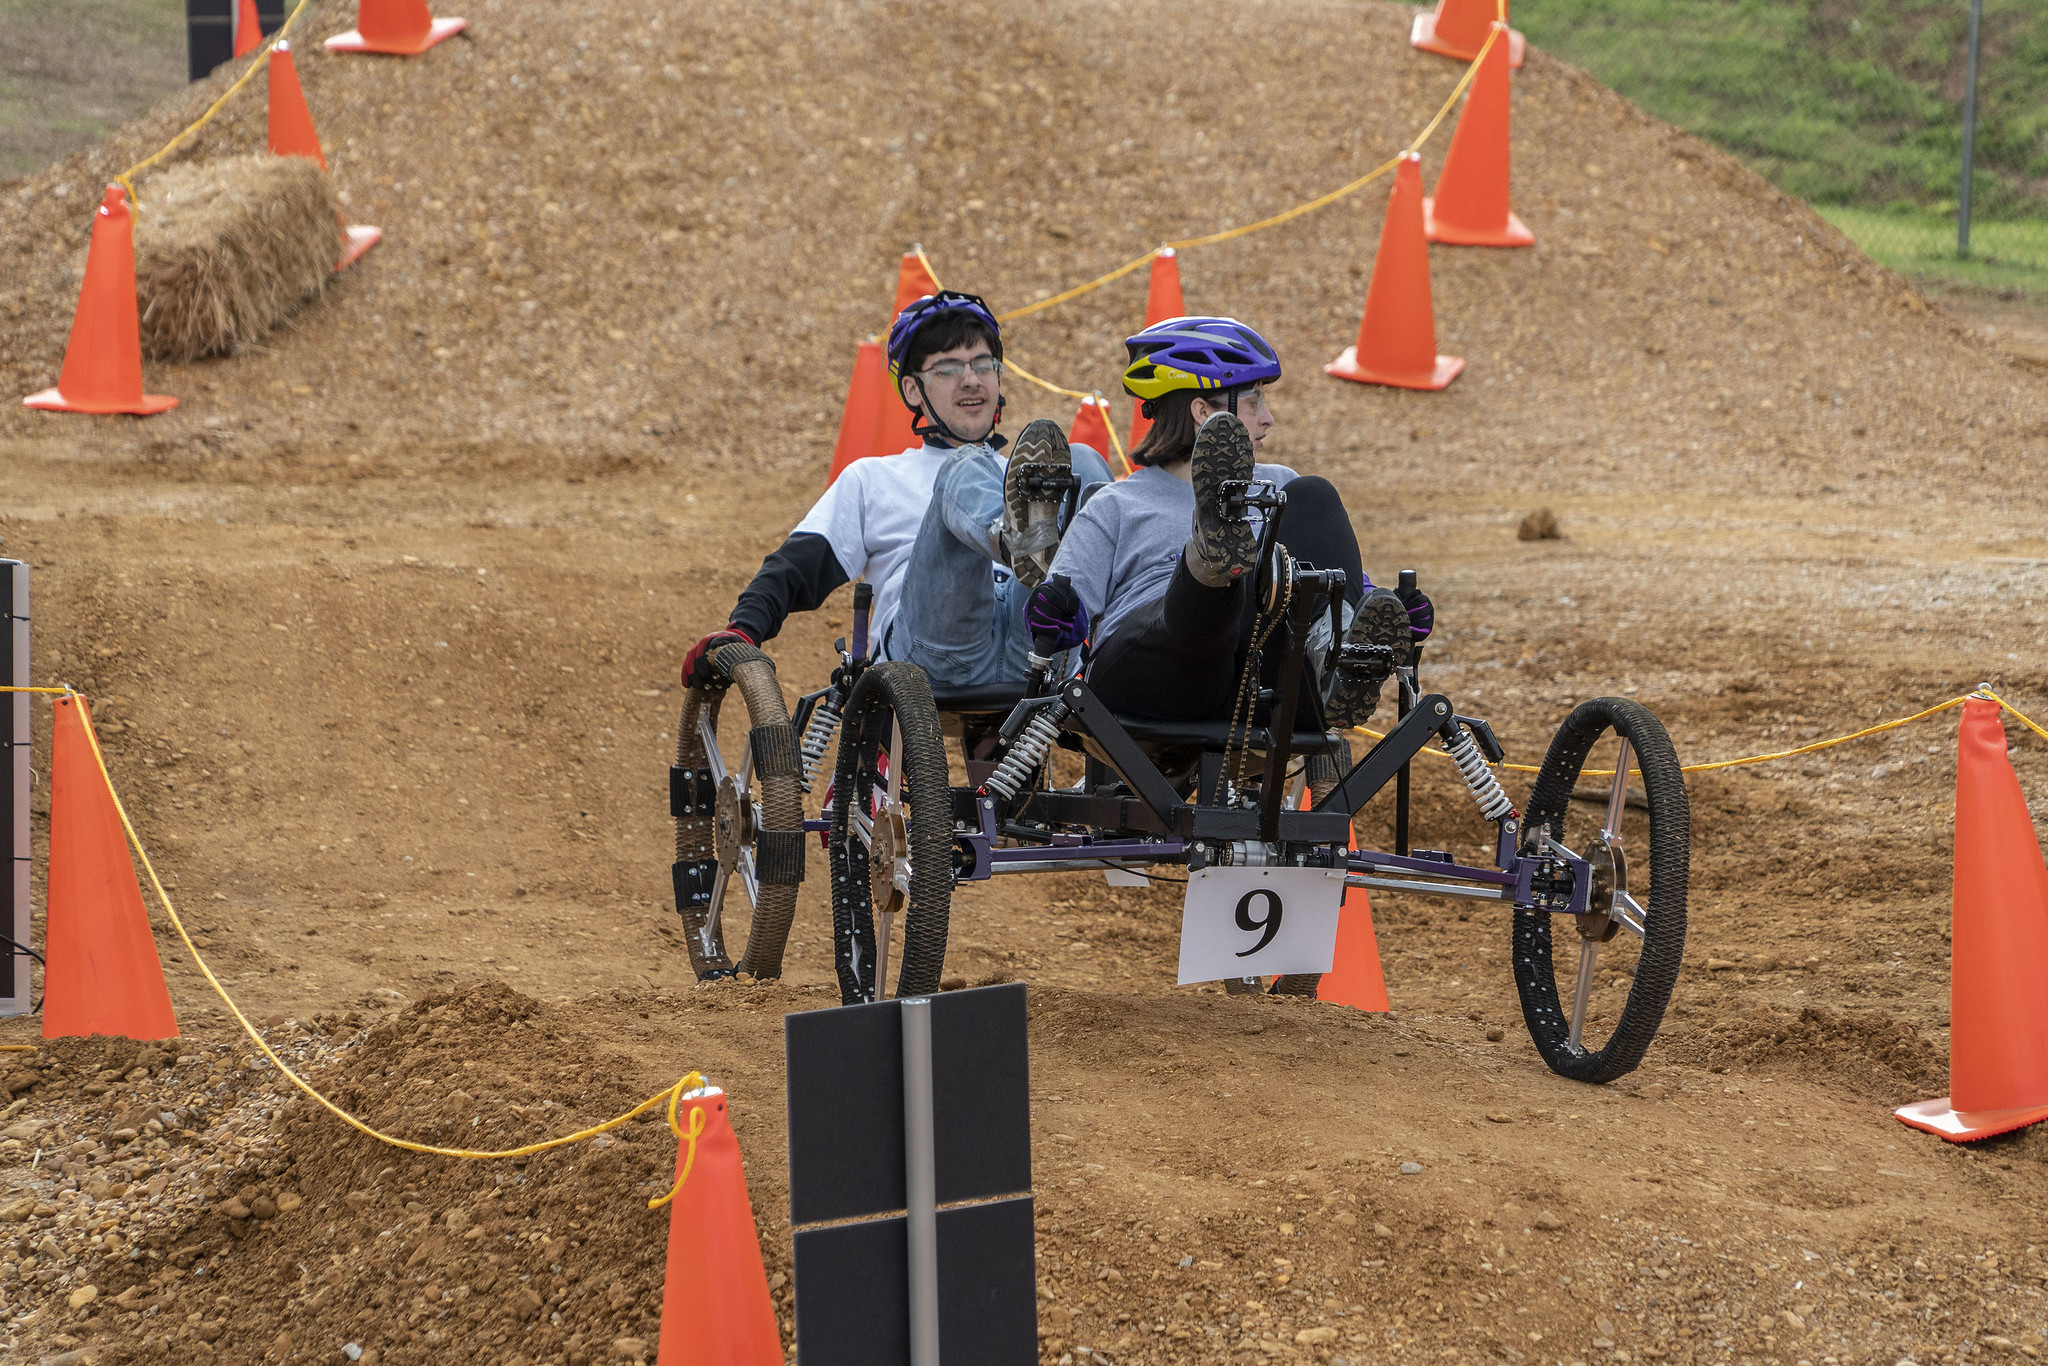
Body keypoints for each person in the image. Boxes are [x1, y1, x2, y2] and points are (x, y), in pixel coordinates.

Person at [681, 291, 1112, 690]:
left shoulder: (1036, 475)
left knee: (1084, 461)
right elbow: (795, 566)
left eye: (983, 365)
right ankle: (1011, 539)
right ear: (912, 389)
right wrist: (742, 629)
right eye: (948, 369)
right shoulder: (874, 477)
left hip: (1041, 645)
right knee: (964, 465)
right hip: (937, 652)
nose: (971, 380)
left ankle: (1044, 570)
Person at [1036, 316, 1432, 727]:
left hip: (1259, 683)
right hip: (1151, 676)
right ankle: (1208, 558)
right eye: (1254, 400)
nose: (1268, 418)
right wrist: (1055, 611)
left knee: (1313, 493)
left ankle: (1336, 657)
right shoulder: (1117, 504)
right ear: (1203, 410)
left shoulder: (1283, 486)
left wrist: (1394, 617)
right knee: (1217, 594)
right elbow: (1062, 614)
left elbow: (1340, 586)